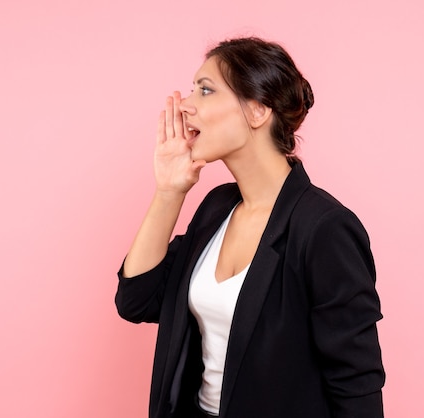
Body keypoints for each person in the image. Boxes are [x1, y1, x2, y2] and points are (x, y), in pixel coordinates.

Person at [115, 37, 385, 418]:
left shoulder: (324, 228)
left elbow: (357, 384)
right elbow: (136, 300)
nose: (187, 106)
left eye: (205, 90)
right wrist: (169, 191)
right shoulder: (216, 209)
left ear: (258, 110)